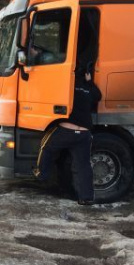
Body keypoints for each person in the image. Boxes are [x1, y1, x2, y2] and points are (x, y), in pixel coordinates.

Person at [33, 67, 102, 205]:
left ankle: (42, 174)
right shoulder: (88, 89)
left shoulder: (67, 87)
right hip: (84, 134)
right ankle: (86, 198)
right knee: (83, 165)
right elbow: (98, 96)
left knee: (46, 146)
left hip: (66, 131)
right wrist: (90, 82)